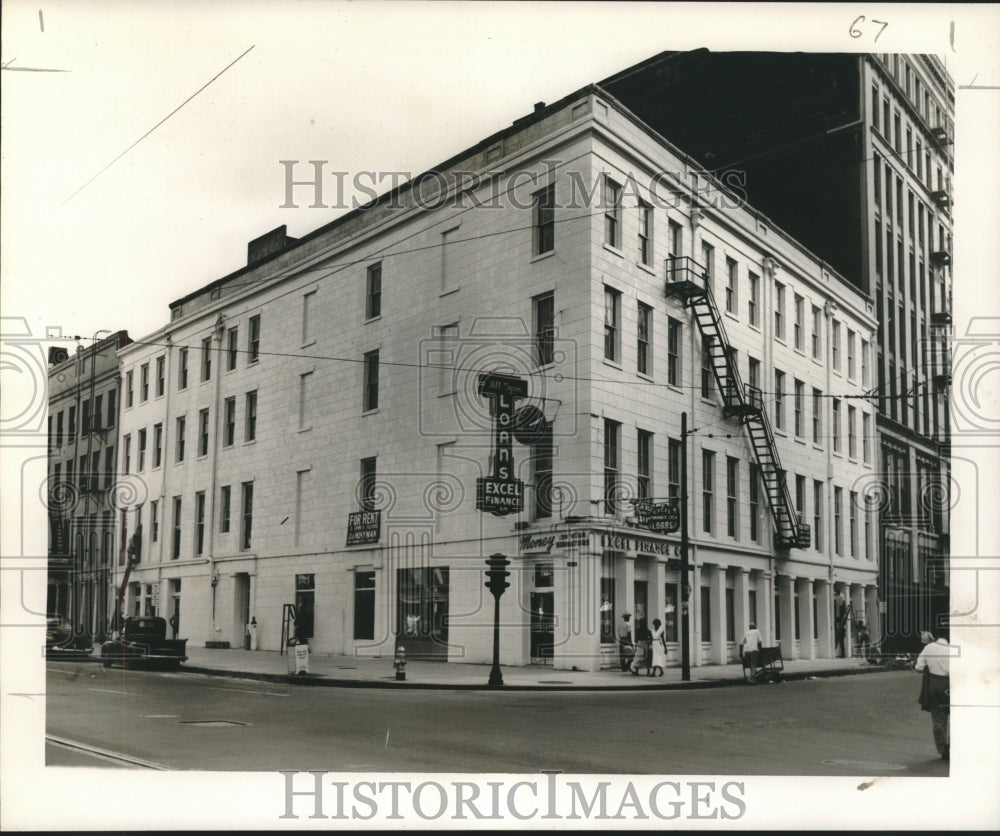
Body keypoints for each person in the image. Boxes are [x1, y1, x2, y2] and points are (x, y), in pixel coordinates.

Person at [914, 630, 951, 760]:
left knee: (938, 718)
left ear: (935, 636)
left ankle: (943, 749)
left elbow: (918, 667)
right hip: (953, 683)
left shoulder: (928, 648)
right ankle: (954, 745)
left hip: (935, 684)